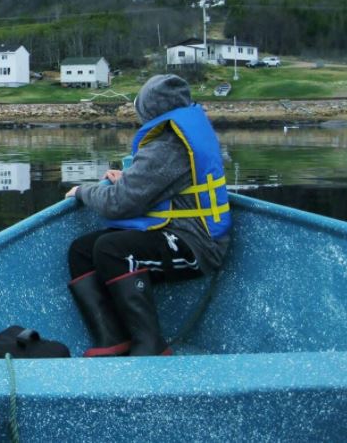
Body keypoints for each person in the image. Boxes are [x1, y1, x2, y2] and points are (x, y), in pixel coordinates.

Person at [64, 74, 231, 356]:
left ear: (149, 111)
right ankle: (112, 339)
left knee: (112, 250)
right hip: (175, 229)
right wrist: (127, 179)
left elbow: (118, 204)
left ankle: (151, 344)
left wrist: (82, 191)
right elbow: (157, 185)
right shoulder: (176, 139)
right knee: (81, 250)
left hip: (197, 244)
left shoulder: (167, 147)